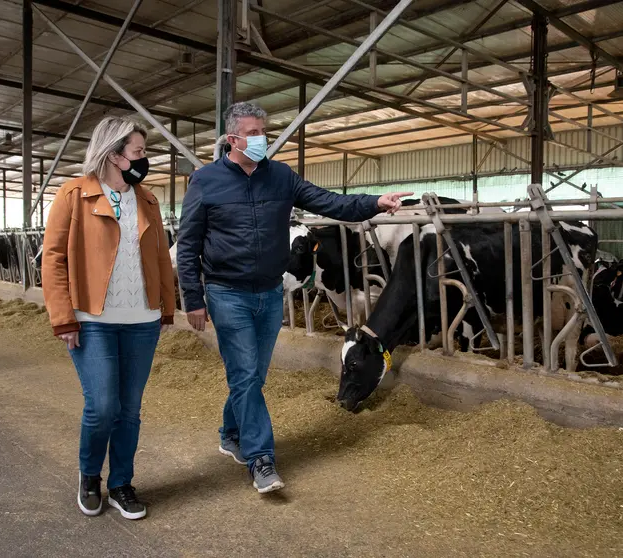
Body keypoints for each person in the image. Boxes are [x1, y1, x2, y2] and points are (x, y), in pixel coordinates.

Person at [177, 102, 411, 494]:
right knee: (247, 375)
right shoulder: (206, 181)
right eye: (251, 133)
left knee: (253, 376)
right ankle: (261, 458)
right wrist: (193, 297)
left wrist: (374, 202)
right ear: (232, 139)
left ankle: (230, 433)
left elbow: (330, 202)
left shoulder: (281, 177)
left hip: (269, 291)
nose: (260, 139)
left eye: (262, 131)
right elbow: (187, 245)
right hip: (225, 291)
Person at [42, 116, 175, 519]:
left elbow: (159, 259)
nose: (143, 159)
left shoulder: (147, 198)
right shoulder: (73, 194)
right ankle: (89, 477)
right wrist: (63, 317)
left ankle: (121, 483)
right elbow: (53, 258)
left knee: (129, 409)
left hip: (142, 320)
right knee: (102, 405)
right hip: (92, 318)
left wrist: (166, 307)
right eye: (138, 152)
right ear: (114, 155)